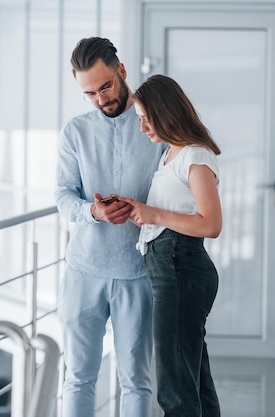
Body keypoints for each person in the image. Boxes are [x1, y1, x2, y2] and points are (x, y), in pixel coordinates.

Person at [54, 37, 166, 417]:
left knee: (136, 379)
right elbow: (63, 196)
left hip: (138, 272)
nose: (101, 98)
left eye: (105, 86)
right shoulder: (75, 133)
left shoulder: (156, 127)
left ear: (122, 71)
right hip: (84, 270)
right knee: (78, 378)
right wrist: (93, 212)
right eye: (90, 93)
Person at [118, 74, 223, 417]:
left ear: (168, 112)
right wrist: (143, 214)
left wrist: (155, 215)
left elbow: (210, 224)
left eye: (148, 118)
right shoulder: (171, 155)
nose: (143, 127)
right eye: (140, 119)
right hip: (171, 266)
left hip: (181, 267)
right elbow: (175, 212)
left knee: (175, 387)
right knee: (191, 378)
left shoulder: (195, 155)